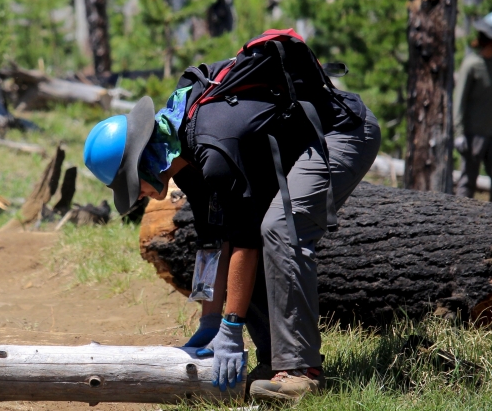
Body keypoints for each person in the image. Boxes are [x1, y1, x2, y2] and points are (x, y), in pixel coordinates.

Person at [84, 59, 380, 402]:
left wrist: (232, 326)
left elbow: (245, 241)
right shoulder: (183, 160)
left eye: (134, 184)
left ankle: (301, 371)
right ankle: (275, 365)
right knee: (254, 234)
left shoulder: (212, 149)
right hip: (299, 144)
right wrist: (209, 322)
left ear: (146, 160)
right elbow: (212, 239)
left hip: (341, 131)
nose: (139, 195)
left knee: (280, 228)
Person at [454, 12, 492, 200]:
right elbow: (459, 101)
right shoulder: (472, 65)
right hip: (473, 134)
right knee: (468, 181)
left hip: (490, 132)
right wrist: (459, 133)